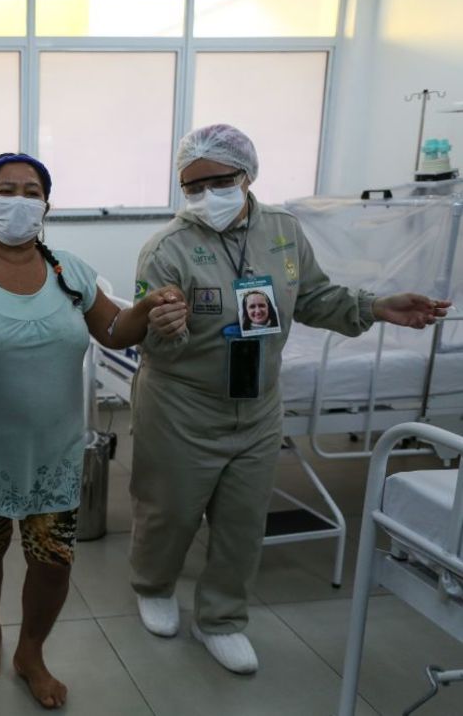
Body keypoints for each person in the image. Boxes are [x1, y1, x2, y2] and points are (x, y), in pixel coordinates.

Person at [130, 124, 451, 674]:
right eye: (192, 186)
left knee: (243, 520)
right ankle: (154, 586)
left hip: (257, 401)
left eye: (219, 181)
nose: (206, 195)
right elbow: (149, 331)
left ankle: (222, 619)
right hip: (183, 403)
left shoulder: (283, 231)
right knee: (170, 510)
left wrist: (377, 307)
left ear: (247, 176)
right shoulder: (168, 248)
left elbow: (314, 296)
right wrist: (162, 324)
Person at [0, 153, 182, 710]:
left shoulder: (70, 272)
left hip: (53, 450)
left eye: (31, 191)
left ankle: (30, 651)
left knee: (53, 560)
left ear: (46, 207)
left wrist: (149, 307)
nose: (19, 200)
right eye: (5, 190)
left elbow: (111, 328)